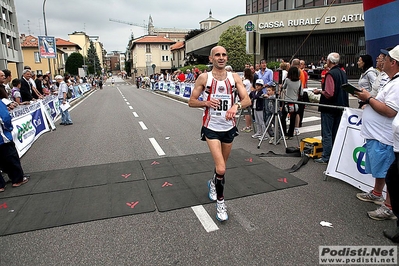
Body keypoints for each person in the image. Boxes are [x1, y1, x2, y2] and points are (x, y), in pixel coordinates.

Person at [188, 46, 251, 221]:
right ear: (211, 59)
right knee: (221, 167)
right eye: (217, 55)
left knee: (221, 167)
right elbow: (191, 102)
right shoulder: (204, 78)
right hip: (211, 128)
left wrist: (236, 105)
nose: (221, 57)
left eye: (224, 55)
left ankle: (213, 183)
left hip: (229, 128)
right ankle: (220, 204)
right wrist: (206, 103)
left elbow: (247, 99)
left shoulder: (234, 77)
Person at [355, 45, 399, 221]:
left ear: (393, 62)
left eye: (386, 59)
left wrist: (368, 99)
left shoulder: (396, 84)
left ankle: (388, 206)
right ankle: (377, 193)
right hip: (378, 135)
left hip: (385, 136)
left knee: (389, 172)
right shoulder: (390, 80)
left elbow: (390, 110)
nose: (382, 61)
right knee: (381, 169)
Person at [313, 52, 349, 164]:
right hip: (341, 105)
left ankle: (326, 156)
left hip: (329, 107)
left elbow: (329, 93)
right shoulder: (342, 72)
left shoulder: (330, 74)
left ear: (329, 61)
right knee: (336, 132)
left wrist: (319, 91)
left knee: (327, 133)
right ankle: (335, 154)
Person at [0, 99, 30, 192]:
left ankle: (1, 185)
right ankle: (17, 179)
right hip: (2, 138)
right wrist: (9, 128)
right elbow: (5, 118)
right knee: (11, 157)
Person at [281, 66, 302, 139]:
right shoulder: (299, 81)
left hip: (287, 102)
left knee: (283, 117)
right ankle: (290, 134)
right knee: (292, 119)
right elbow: (301, 93)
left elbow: (283, 87)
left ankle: (284, 132)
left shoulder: (287, 80)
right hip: (295, 103)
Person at [241, 68, 254, 133]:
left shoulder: (245, 81)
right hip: (249, 96)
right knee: (248, 112)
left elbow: (241, 88)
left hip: (245, 97)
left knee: (246, 113)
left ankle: (248, 126)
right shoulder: (250, 81)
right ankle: (249, 125)